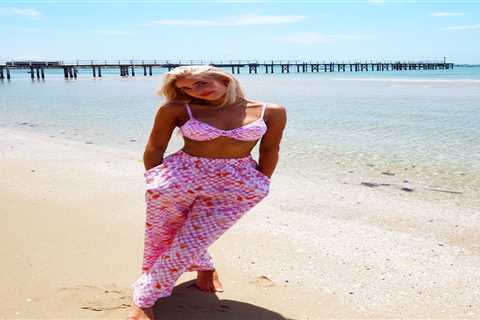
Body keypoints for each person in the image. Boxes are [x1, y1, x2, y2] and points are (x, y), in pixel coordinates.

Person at [127, 65, 287, 320]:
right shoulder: (177, 109)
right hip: (179, 179)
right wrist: (154, 180)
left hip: (237, 186)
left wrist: (262, 182)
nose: (195, 92)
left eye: (201, 84)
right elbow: (155, 147)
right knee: (169, 235)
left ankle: (143, 296)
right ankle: (198, 273)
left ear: (224, 79)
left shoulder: (271, 111)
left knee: (192, 238)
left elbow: (270, 151)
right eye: (187, 88)